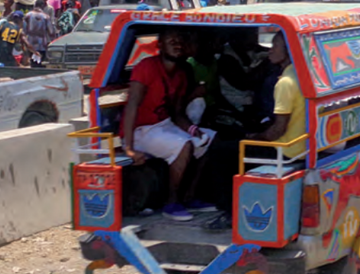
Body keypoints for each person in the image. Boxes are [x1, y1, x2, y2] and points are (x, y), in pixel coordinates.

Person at [204, 32, 304, 230]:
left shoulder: (284, 83)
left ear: (288, 51)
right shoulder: (301, 74)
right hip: (300, 145)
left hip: (285, 150)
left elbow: (277, 130)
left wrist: (254, 137)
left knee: (221, 151)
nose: (270, 50)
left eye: (275, 46)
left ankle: (229, 212)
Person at [122, 28, 217, 221]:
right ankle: (171, 202)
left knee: (210, 138)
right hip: (141, 131)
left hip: (164, 125)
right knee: (184, 146)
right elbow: (131, 106)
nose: (177, 44)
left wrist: (192, 129)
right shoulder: (146, 67)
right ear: (160, 46)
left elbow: (176, 113)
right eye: (171, 40)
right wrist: (129, 148)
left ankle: (190, 196)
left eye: (180, 40)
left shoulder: (180, 73)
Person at [22, 0, 52, 67]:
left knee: (33, 64)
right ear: (43, 6)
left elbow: (23, 32)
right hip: (42, 45)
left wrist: (26, 43)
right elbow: (51, 32)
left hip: (30, 44)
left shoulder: (28, 15)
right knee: (41, 64)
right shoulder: (46, 17)